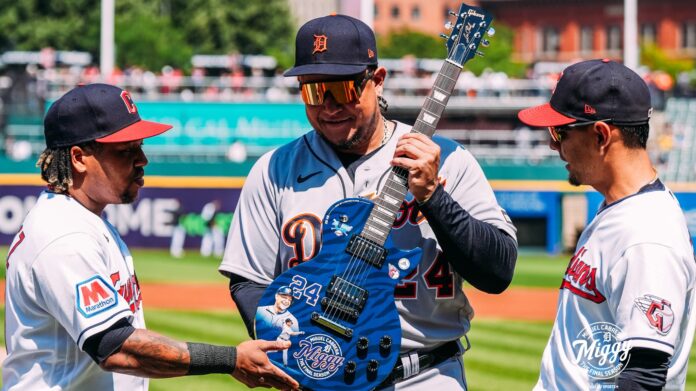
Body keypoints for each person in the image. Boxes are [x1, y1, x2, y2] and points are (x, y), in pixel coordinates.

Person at [219, 14, 518, 390]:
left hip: (424, 375)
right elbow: (249, 281)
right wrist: (294, 348)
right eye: (313, 91)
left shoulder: (447, 159)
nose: (328, 106)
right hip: (315, 376)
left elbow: (497, 272)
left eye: (343, 89)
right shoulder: (274, 170)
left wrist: (432, 197)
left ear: (376, 81)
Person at [2, 83, 299, 391]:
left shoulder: (84, 220)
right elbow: (115, 346)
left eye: (140, 146)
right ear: (79, 158)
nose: (142, 159)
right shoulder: (63, 236)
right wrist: (231, 359)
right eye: (125, 150)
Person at [517, 59, 696, 390]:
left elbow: (643, 377)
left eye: (560, 132)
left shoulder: (648, 237)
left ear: (600, 135)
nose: (553, 145)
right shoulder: (618, 209)